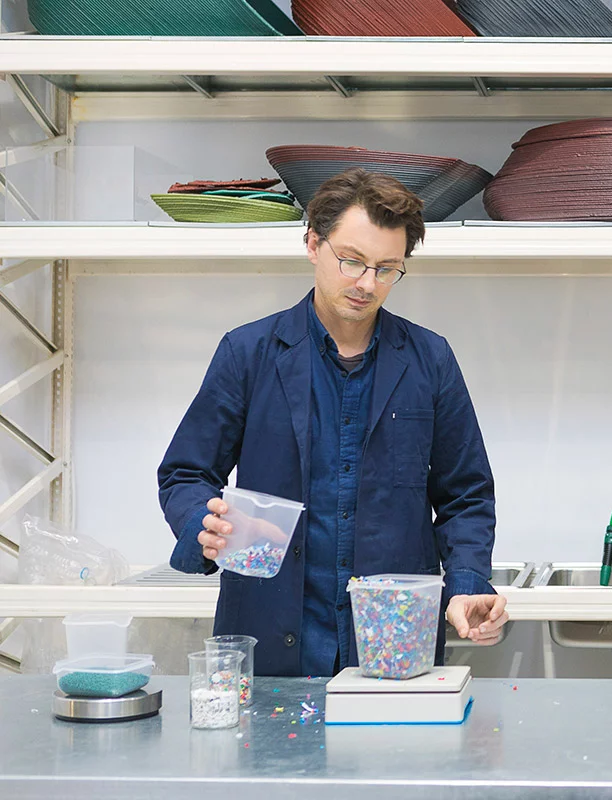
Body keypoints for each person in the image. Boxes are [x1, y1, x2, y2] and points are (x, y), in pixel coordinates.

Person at [158, 168, 508, 676]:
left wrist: (468, 583)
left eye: (387, 269)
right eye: (351, 261)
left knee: (392, 755)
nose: (367, 284)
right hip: (269, 630)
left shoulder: (430, 359)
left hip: (394, 640)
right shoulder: (248, 353)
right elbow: (185, 473)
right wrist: (201, 524)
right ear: (312, 244)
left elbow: (466, 496)